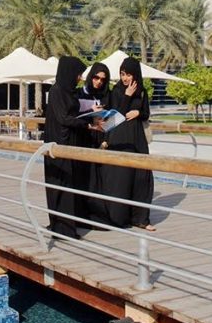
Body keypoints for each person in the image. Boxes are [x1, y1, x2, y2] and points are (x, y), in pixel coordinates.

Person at [90, 57, 155, 231]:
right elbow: (115, 116)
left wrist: (138, 113)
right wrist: (127, 96)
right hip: (119, 136)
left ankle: (141, 219)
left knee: (141, 175)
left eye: (128, 74)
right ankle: (119, 218)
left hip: (137, 138)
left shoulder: (142, 91)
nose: (125, 78)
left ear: (136, 74)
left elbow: (146, 113)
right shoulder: (116, 91)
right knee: (120, 177)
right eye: (122, 74)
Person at [41, 56, 97, 238]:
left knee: (68, 184)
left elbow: (73, 112)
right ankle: (61, 228)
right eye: (78, 74)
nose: (80, 78)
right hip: (58, 144)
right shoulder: (57, 91)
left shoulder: (68, 91)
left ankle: (65, 226)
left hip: (68, 141)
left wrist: (91, 111)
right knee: (60, 184)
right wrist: (87, 124)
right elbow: (64, 118)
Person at [77, 63, 111, 149]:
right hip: (81, 137)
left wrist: (106, 140)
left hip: (100, 140)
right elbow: (72, 116)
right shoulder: (78, 93)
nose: (99, 81)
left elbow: (111, 119)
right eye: (96, 78)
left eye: (103, 79)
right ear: (91, 76)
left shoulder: (107, 96)